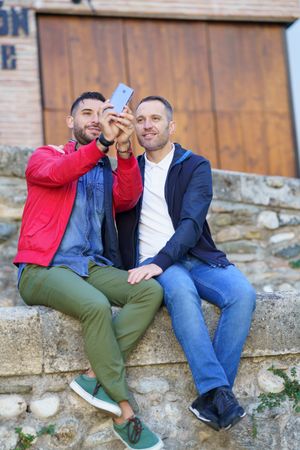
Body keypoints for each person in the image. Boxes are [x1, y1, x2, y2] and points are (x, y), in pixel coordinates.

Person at [14, 91, 164, 450]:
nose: (96, 118)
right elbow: (61, 172)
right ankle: (125, 414)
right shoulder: (45, 156)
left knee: (150, 291)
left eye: (103, 113)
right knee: (96, 305)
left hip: (90, 267)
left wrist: (125, 149)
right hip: (42, 267)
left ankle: (94, 376)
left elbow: (127, 198)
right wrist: (102, 143)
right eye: (87, 113)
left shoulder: (103, 169)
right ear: (71, 122)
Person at [117, 95, 257, 432]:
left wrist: (163, 260)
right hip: (153, 261)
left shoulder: (195, 165)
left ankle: (212, 395)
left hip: (196, 256)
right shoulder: (130, 170)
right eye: (141, 120)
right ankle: (219, 395)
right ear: (134, 126)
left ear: (171, 125)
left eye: (155, 119)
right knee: (181, 293)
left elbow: (193, 223)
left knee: (243, 295)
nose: (147, 125)